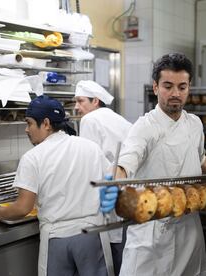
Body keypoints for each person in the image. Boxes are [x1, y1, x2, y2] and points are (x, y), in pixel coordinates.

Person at [101, 53, 206, 276]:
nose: (175, 94)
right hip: (152, 229)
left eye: (182, 87)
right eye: (168, 86)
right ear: (156, 87)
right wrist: (114, 183)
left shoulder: (194, 123)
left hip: (188, 224)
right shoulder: (145, 127)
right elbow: (126, 162)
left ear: (189, 88)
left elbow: (199, 158)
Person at [0, 95, 117, 276]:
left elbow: (23, 208)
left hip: (57, 239)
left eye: (29, 123)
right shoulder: (90, 147)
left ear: (46, 123)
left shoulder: (33, 157)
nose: (26, 130)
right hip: (92, 237)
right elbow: (111, 182)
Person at [75, 80, 132, 275]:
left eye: (80, 101)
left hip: (109, 195)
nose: (76, 107)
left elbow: (88, 164)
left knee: (114, 258)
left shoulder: (90, 120)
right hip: (129, 195)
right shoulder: (116, 118)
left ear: (95, 101)